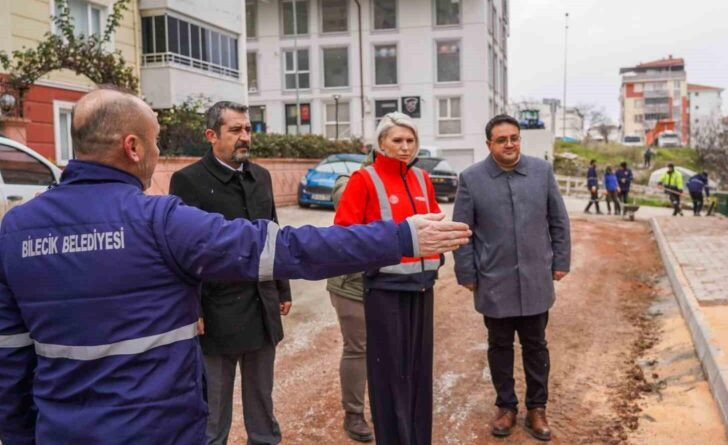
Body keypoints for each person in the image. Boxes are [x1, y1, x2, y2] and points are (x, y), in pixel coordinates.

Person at [0, 88, 471, 445]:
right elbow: (288, 248)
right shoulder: (158, 219)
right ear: (133, 147)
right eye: (156, 141)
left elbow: (10, 360)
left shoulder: (16, 230)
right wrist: (402, 236)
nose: (160, 152)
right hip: (159, 428)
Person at [169, 101, 290, 445]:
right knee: (212, 413)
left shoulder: (261, 176)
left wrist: (283, 288)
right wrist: (193, 308)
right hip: (216, 314)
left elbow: (273, 234)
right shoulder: (188, 181)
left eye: (248, 129)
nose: (245, 137)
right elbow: (182, 252)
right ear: (211, 136)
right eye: (235, 130)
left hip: (261, 307)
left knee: (262, 404)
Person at [453, 114, 571, 442]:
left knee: (536, 345)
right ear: (489, 144)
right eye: (502, 140)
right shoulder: (472, 179)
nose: (510, 144)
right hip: (494, 280)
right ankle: (506, 407)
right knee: (499, 345)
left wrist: (561, 261)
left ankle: (537, 409)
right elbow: (463, 232)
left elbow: (558, 221)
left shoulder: (541, 172)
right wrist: (466, 272)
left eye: (514, 138)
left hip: (536, 278)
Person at [335, 112, 441, 445]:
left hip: (423, 288)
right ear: (382, 144)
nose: (404, 147)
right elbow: (344, 234)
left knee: (419, 374)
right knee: (390, 376)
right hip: (384, 290)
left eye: (410, 140)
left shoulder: (423, 179)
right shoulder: (364, 179)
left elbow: (435, 225)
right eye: (397, 140)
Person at [325, 150, 376, 443]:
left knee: (389, 349)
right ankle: (353, 414)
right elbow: (347, 200)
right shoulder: (350, 180)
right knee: (358, 348)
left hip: (390, 282)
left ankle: (386, 407)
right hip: (351, 284)